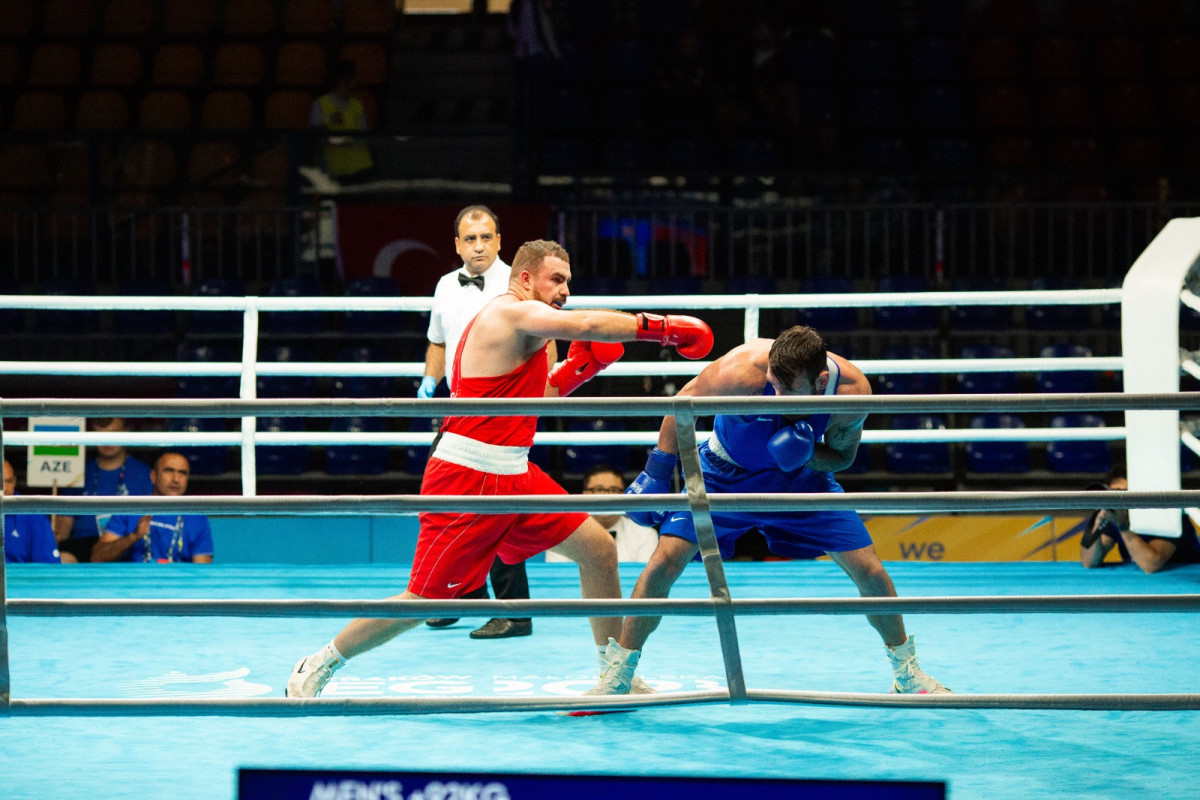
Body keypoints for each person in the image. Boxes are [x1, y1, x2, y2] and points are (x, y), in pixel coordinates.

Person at [286, 238, 714, 698]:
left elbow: (539, 399)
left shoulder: (533, 333)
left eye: (569, 281)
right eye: (557, 279)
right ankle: (320, 663)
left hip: (514, 474)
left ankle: (615, 675)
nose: (566, 290)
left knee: (598, 550)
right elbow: (588, 324)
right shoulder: (508, 312)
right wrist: (661, 328)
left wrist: (578, 372)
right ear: (525, 278)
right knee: (426, 599)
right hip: (467, 477)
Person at [586, 325, 952, 696]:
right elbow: (683, 404)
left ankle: (907, 675)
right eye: (773, 384)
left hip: (801, 480)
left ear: (820, 379)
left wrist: (808, 452)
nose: (775, 395)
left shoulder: (851, 393)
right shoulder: (742, 369)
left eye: (787, 389)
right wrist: (658, 470)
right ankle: (620, 676)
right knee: (664, 562)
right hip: (722, 475)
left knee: (870, 570)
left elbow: (842, 457)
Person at [419, 205, 534, 640]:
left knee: (500, 513)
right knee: (447, 507)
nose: (479, 245)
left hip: (501, 414)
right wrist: (428, 383)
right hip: (454, 412)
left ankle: (514, 612)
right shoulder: (446, 285)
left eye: (486, 237)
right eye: (470, 239)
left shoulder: (516, 286)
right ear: (457, 245)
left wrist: (532, 405)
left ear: (500, 240)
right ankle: (459, 594)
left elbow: (543, 346)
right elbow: (437, 341)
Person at [54, 417, 154, 563]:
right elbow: (63, 531)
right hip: (82, 544)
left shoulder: (145, 474)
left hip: (126, 543)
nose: (107, 441)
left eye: (113, 434)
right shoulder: (76, 473)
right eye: (100, 435)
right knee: (61, 559)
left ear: (126, 434)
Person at [90, 452, 213, 564]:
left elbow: (203, 571)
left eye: (182, 473)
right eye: (169, 471)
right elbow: (97, 557)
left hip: (177, 584)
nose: (176, 479)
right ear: (153, 476)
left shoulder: (197, 518)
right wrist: (133, 536)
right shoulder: (130, 509)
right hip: (135, 584)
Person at [1079, 468, 1200, 573]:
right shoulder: (1115, 515)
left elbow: (1151, 565)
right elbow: (1089, 562)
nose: (1119, 499)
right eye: (1114, 492)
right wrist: (1097, 522)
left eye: (1125, 493)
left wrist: (1123, 525)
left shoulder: (1167, 512)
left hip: (1187, 580)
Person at [546, 464, 659, 563]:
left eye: (613, 490)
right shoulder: (561, 535)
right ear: (584, 495)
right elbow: (557, 582)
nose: (606, 496)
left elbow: (646, 583)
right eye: (598, 490)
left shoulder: (646, 535)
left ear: (624, 496)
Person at [308, 58, 375, 183]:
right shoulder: (321, 104)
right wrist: (343, 142)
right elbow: (319, 137)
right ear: (342, 80)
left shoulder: (358, 105)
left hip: (360, 169)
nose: (356, 82)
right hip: (334, 172)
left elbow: (364, 136)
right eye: (353, 78)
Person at [3, 459, 61, 564]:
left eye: (9, 481)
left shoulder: (33, 514)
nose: (5, 488)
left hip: (20, 579)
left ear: (15, 481)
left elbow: (47, 565)